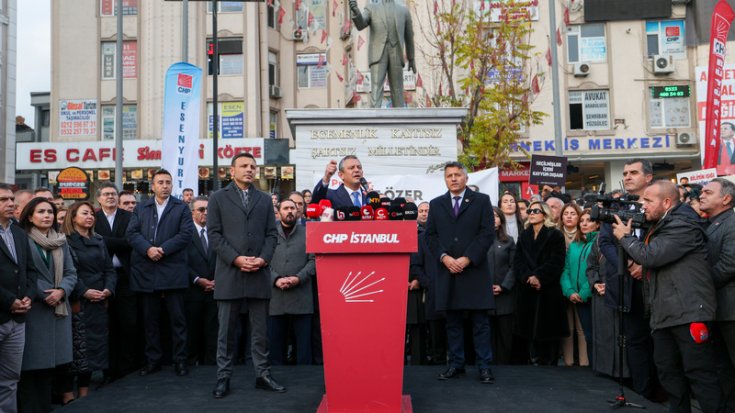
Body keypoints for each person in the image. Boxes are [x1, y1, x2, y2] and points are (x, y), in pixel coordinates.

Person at [613, 180, 721, 412]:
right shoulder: (662, 224)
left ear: (667, 202)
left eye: (648, 201)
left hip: (689, 312)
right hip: (664, 313)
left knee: (700, 375)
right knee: (669, 374)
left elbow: (651, 256)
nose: (642, 205)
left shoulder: (683, 224)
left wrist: (625, 237)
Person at [208, 153, 284, 398]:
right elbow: (215, 235)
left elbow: (272, 235)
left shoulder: (264, 199)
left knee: (260, 331)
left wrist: (263, 259)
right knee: (226, 332)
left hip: (259, 272)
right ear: (232, 171)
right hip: (230, 272)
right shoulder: (218, 198)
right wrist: (237, 259)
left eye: (252, 166)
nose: (249, 169)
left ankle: (262, 374)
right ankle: (223, 377)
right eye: (243, 166)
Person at [598, 158, 662, 402]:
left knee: (659, 341)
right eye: (625, 173)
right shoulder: (617, 206)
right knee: (634, 341)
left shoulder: (659, 205)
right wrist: (629, 264)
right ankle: (642, 392)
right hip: (627, 285)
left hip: (655, 284)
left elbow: (664, 240)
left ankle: (662, 392)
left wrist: (644, 264)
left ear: (648, 177)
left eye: (633, 172)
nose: (627, 177)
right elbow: (605, 242)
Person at [426, 161, 495, 384]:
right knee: (452, 323)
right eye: (449, 176)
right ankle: (456, 364)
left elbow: (486, 233)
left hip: (473, 270)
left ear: (466, 178)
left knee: (480, 324)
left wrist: (467, 258)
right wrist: (444, 258)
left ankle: (484, 367)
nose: (453, 179)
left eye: (457, 175)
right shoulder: (436, 205)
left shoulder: (481, 201)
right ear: (445, 180)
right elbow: (430, 236)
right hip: (447, 271)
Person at [126, 169, 194, 377]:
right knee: (150, 320)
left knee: (178, 320)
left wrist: (163, 250)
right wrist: (148, 249)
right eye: (160, 182)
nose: (165, 186)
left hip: (172, 269)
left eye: (168, 182)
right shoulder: (141, 208)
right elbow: (131, 233)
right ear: (153, 186)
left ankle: (180, 360)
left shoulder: (181, 207)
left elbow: (186, 234)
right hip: (147, 270)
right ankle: (152, 361)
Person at [17, 197, 77, 413]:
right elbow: (24, 273)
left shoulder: (60, 240)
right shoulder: (22, 239)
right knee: (30, 369)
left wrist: (62, 290)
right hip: (35, 309)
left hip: (58, 309)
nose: (47, 216)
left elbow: (71, 272)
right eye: (41, 212)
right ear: (30, 217)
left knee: (49, 370)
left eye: (50, 212)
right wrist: (46, 293)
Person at [61, 201, 116, 404]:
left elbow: (109, 269)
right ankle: (67, 393)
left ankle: (85, 392)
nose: (90, 217)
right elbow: (68, 271)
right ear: (73, 217)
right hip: (77, 300)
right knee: (75, 347)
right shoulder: (65, 240)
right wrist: (84, 291)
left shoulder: (99, 239)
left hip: (100, 300)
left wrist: (108, 290)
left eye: (92, 213)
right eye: (85, 213)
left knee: (94, 347)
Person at [513, 201, 567, 365]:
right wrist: (528, 277)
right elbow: (518, 261)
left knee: (548, 330)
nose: (531, 213)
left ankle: (549, 362)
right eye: (529, 210)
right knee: (528, 329)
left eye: (536, 210)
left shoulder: (555, 234)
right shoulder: (524, 235)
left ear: (544, 214)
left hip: (548, 289)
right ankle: (531, 360)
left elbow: (557, 261)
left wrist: (539, 277)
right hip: (527, 288)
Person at [94, 183, 138, 380]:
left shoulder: (129, 217)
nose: (110, 197)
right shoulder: (92, 218)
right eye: (106, 194)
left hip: (126, 277)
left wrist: (102, 240)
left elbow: (131, 242)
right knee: (106, 325)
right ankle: (108, 370)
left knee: (128, 323)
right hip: (101, 279)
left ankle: (128, 367)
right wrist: (117, 242)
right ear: (99, 198)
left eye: (113, 194)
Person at [698, 177, 735, 410]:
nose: (701, 195)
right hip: (718, 308)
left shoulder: (732, 223)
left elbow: (730, 264)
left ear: (726, 198)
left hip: (731, 310)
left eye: (708, 192)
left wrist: (700, 284)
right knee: (723, 367)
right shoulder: (713, 223)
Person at [0, 184, 37, 413]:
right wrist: (8, 300)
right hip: (3, 311)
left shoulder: (18, 232)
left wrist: (27, 297)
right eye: (4, 199)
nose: (11, 203)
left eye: (12, 199)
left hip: (18, 319)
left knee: (10, 380)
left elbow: (30, 270)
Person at [268, 199, 315, 366]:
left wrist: (298, 278)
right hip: (275, 298)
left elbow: (314, 261)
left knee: (303, 348)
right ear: (279, 212)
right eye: (286, 208)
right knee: (275, 348)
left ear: (298, 211)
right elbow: (262, 261)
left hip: (301, 298)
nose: (290, 211)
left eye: (293, 208)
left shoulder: (308, 232)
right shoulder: (269, 233)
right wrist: (275, 279)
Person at [349, 0, 415, 108]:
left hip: (396, 53)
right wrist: (355, 10)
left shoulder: (404, 11)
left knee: (398, 89)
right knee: (376, 88)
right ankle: (374, 121)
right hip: (378, 54)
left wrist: (411, 58)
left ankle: (399, 121)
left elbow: (409, 36)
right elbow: (361, 24)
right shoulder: (371, 8)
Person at [560, 209, 598, 367]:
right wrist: (569, 291)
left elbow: (596, 270)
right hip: (572, 294)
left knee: (588, 334)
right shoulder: (574, 245)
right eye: (582, 221)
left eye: (588, 220)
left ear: (597, 224)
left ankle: (587, 365)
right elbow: (566, 269)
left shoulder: (598, 243)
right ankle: (569, 364)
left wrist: (583, 292)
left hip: (589, 297)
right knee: (570, 330)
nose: (584, 223)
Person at [185, 196, 218, 366]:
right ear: (192, 213)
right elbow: (182, 261)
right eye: (201, 209)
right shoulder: (185, 233)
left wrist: (216, 280)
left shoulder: (217, 232)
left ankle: (211, 365)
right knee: (193, 332)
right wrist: (197, 280)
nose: (205, 213)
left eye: (208, 209)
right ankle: (192, 364)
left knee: (213, 332)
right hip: (193, 291)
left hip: (215, 291)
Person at [488, 207, 516, 365]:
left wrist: (504, 286)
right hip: (484, 297)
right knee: (487, 335)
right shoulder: (478, 241)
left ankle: (505, 366)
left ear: (501, 220)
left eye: (495, 216)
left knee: (505, 336)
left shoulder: (509, 241)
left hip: (505, 297)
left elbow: (514, 267)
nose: (493, 219)